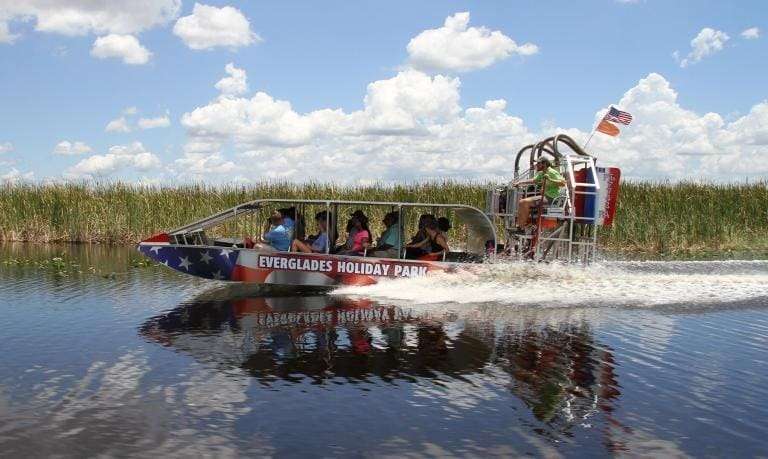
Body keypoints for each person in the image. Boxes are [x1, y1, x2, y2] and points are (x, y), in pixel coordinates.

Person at [513, 157, 566, 229]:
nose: (536, 165)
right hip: (545, 197)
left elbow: (563, 183)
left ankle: (520, 227)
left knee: (524, 202)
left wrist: (550, 179)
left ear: (544, 164)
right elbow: (533, 180)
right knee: (522, 202)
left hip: (551, 198)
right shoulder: (542, 173)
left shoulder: (551, 172)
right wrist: (519, 182)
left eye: (538, 163)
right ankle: (521, 225)